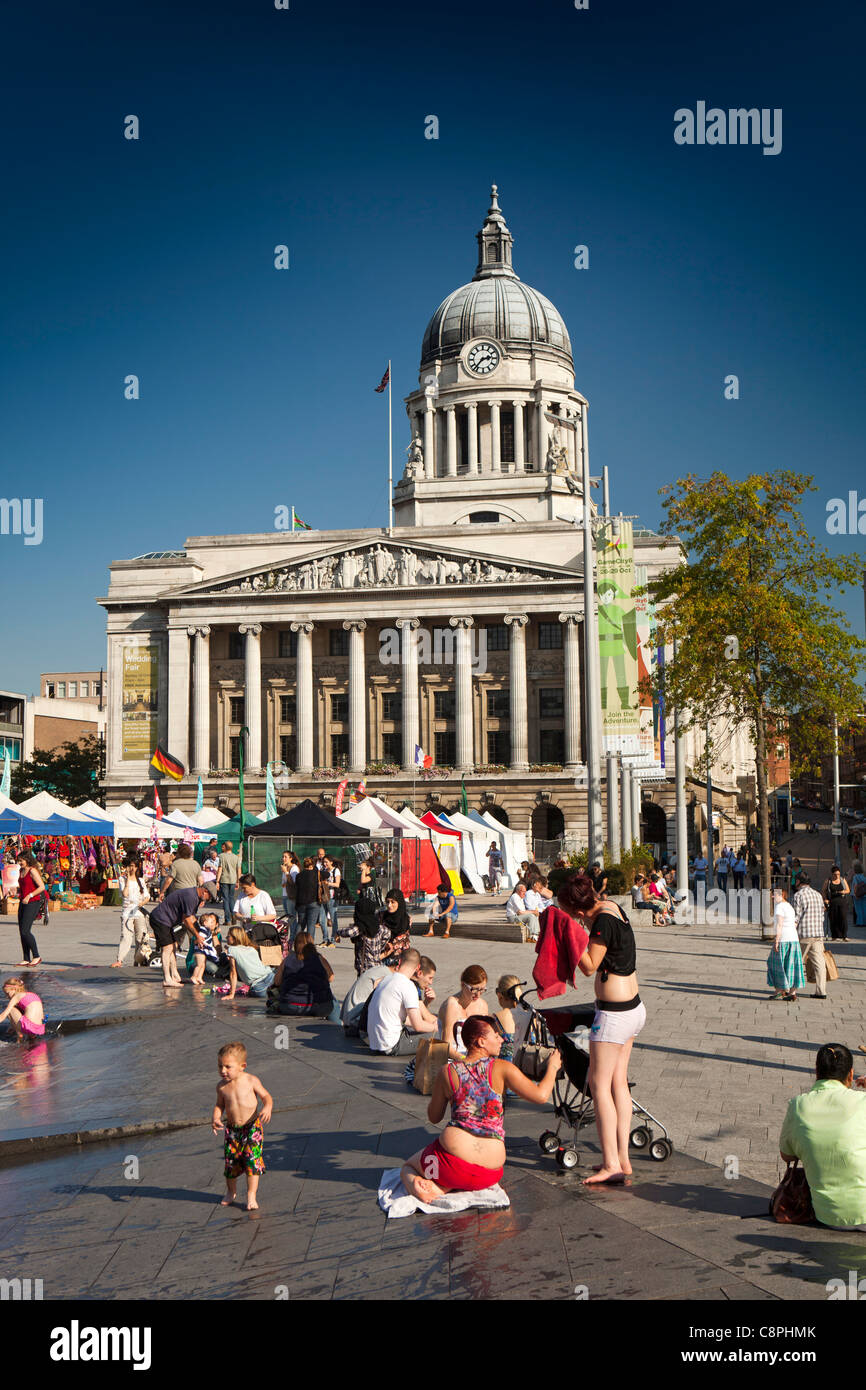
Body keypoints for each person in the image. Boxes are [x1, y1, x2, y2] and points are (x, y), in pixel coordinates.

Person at [399, 1014, 561, 1200]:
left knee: (408, 1167)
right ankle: (441, 1188)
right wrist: (553, 1068)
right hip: (488, 1174)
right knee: (465, 1176)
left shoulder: (449, 1072)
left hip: (450, 1164)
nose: (502, 1040)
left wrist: (446, 1093)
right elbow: (541, 1095)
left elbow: (434, 1117)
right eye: (496, 1036)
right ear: (481, 1041)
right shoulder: (502, 1068)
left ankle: (426, 1185)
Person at [561, 872, 645, 1184]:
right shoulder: (612, 907)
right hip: (633, 1008)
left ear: (579, 911)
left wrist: (569, 934)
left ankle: (611, 1162)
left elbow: (588, 966)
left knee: (598, 1086)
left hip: (614, 1015)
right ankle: (622, 1159)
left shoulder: (601, 922)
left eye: (573, 915)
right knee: (618, 1084)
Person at [779, 1044, 866, 1231]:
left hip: (828, 1216)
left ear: (817, 1071)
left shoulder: (798, 1105)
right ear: (850, 1074)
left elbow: (787, 1156)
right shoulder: (862, 1101)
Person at [212, 1041, 273, 1211]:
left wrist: (267, 1106)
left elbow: (266, 1096)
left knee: (252, 1160)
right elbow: (219, 1106)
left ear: (242, 1066)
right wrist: (216, 1117)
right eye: (220, 1066)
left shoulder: (251, 1080)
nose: (223, 1071)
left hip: (252, 1127)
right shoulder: (222, 1087)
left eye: (227, 1067)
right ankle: (231, 1192)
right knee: (231, 1163)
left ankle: (251, 1195)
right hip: (232, 1130)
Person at [367, 947, 438, 1055]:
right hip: (391, 1045)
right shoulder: (408, 986)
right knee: (441, 1035)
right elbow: (417, 1025)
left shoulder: (386, 979)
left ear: (400, 961)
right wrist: (436, 1027)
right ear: (418, 967)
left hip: (374, 1043)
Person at [148, 882, 212, 987]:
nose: (208, 900)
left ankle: (175, 975)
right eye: (209, 897)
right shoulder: (191, 896)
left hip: (166, 921)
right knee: (167, 948)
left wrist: (201, 934)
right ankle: (167, 979)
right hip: (160, 919)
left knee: (174, 946)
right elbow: (186, 920)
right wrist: (197, 935)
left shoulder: (196, 897)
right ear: (204, 891)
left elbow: (192, 918)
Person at [272, 938, 335, 1017]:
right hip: (317, 1006)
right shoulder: (319, 958)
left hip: (289, 1005)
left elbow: (277, 981)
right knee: (332, 1000)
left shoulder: (288, 959)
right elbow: (331, 978)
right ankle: (338, 1027)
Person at [438, 964, 490, 1058]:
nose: (478, 994)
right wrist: (465, 1060)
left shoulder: (482, 1005)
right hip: (452, 1057)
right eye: (474, 989)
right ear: (463, 985)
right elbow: (446, 1046)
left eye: (482, 990)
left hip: (473, 1057)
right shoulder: (452, 1005)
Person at [338, 893, 393, 974]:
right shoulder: (380, 928)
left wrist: (337, 932)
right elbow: (388, 933)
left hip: (364, 970)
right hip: (377, 967)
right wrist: (382, 946)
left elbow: (349, 932)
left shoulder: (360, 928)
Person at [793, 872, 828, 1000]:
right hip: (818, 933)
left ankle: (791, 990)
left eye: (795, 880)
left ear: (799, 882)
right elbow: (822, 914)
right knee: (819, 963)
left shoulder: (798, 895)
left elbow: (796, 916)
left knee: (796, 962)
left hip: (804, 934)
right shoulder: (818, 894)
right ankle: (821, 991)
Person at [767, 889, 805, 1002]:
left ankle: (779, 991)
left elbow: (779, 924)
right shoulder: (789, 906)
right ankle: (792, 992)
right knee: (792, 965)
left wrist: (776, 940)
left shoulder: (779, 907)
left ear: (782, 895)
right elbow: (793, 923)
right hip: (793, 939)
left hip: (783, 939)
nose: (773, 897)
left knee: (775, 964)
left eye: (774, 895)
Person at [111, 858, 150, 967]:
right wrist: (128, 879)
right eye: (130, 866)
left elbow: (147, 896)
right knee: (126, 936)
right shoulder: (122, 879)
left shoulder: (141, 881)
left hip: (139, 912)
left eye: (134, 866)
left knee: (140, 938)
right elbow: (125, 894)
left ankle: (138, 959)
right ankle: (120, 960)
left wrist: (141, 904)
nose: (132, 868)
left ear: (137, 867)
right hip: (127, 913)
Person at [223, 926, 277, 999]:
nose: (226, 938)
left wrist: (231, 994)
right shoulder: (251, 948)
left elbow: (233, 973)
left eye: (228, 936)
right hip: (271, 977)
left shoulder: (232, 949)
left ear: (235, 937)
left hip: (258, 987)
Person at [15, 853, 45, 967]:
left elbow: (41, 887)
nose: (20, 863)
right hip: (23, 902)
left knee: (25, 931)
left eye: (21, 860)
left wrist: (30, 895)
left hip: (33, 902)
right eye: (19, 860)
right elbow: (23, 887)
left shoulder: (32, 871)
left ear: (27, 860)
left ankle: (36, 956)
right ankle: (26, 958)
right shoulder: (21, 871)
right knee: (21, 931)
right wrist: (16, 891)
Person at [189, 910, 226, 985]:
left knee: (203, 965)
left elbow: (218, 951)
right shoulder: (202, 931)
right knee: (205, 966)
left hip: (206, 956)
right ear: (205, 923)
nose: (212, 923)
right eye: (210, 922)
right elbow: (196, 941)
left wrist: (214, 935)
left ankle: (199, 977)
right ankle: (194, 977)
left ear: (216, 924)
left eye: (213, 922)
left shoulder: (216, 935)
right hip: (197, 955)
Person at [493, 975, 522, 1062]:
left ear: (500, 996)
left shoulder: (496, 1019)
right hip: (529, 1068)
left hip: (506, 1070)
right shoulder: (533, 1015)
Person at [381, 887, 411, 963]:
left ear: (399, 902)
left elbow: (402, 939)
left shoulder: (406, 919)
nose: (389, 905)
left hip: (401, 960)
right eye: (387, 902)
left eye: (392, 902)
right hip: (382, 957)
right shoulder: (381, 916)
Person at [294, 857, 321, 936]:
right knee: (311, 925)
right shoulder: (316, 873)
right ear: (312, 865)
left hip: (301, 903)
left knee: (301, 924)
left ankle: (297, 943)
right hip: (313, 902)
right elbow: (327, 874)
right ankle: (310, 945)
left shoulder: (299, 875)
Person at [823, 866, 851, 942]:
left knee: (843, 917)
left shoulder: (842, 880)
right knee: (833, 918)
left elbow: (848, 890)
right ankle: (834, 936)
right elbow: (824, 891)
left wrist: (843, 892)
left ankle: (844, 935)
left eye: (838, 874)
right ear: (832, 874)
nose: (837, 876)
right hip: (832, 901)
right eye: (835, 874)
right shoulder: (828, 881)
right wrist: (825, 899)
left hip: (842, 901)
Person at [218, 841, 241, 926]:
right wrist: (238, 881)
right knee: (232, 898)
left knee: (225, 899)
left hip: (224, 879)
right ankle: (234, 916)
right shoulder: (236, 857)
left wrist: (217, 880)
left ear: (225, 847)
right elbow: (238, 869)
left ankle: (227, 919)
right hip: (233, 879)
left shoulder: (221, 856)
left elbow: (220, 868)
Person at [322, 855, 342, 945]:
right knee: (322, 918)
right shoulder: (324, 871)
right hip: (323, 897)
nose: (325, 864)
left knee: (333, 919)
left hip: (332, 897)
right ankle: (325, 939)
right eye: (324, 862)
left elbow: (337, 884)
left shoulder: (336, 870)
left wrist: (328, 883)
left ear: (331, 862)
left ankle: (333, 938)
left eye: (326, 862)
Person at [851, 861, 866, 930]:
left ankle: (859, 922)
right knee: (864, 908)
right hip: (864, 894)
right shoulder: (863, 877)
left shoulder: (855, 877)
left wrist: (855, 894)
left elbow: (856, 886)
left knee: (858, 909)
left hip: (857, 895)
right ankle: (864, 922)